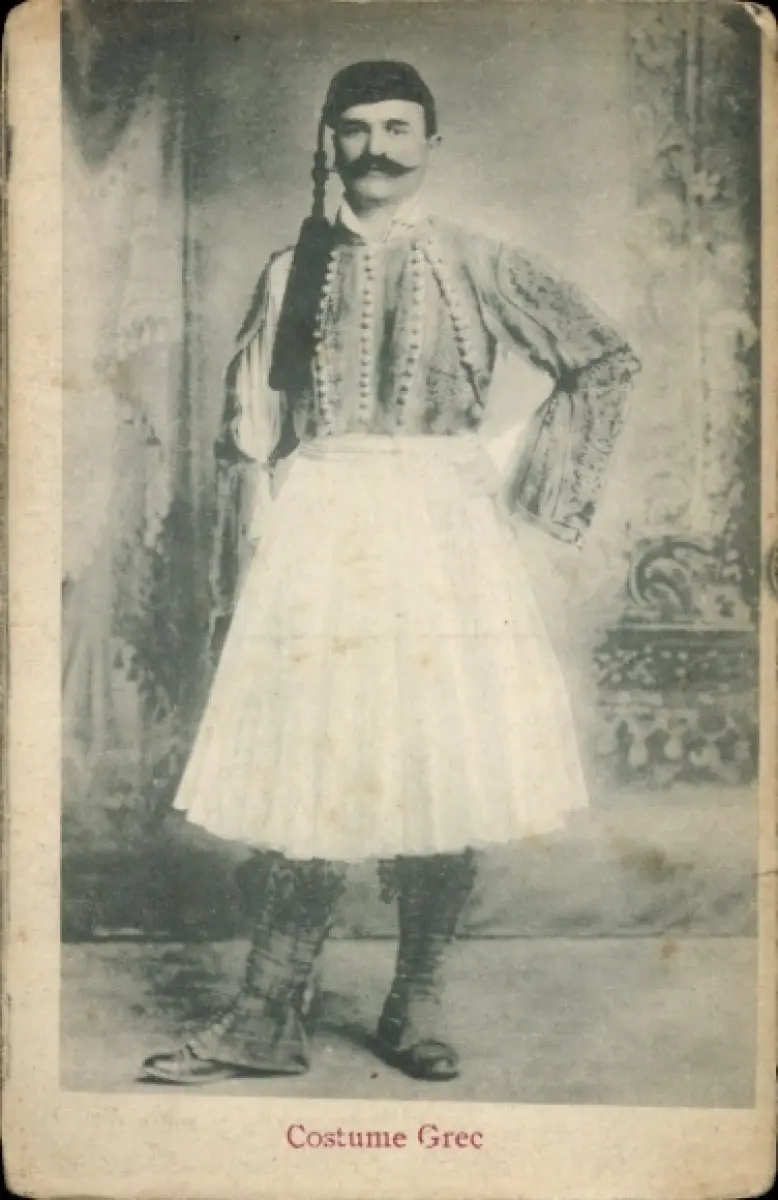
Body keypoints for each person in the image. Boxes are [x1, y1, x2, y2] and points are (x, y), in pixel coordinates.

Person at [141, 60, 640, 1086]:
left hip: (441, 537)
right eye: (357, 128)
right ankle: (264, 1017)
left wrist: (519, 477)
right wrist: (255, 549)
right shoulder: (291, 267)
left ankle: (415, 1005)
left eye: (398, 127)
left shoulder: (477, 260)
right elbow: (253, 434)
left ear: (431, 144)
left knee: (440, 762)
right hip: (320, 532)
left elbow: (601, 357)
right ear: (330, 142)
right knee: (313, 763)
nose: (377, 147)